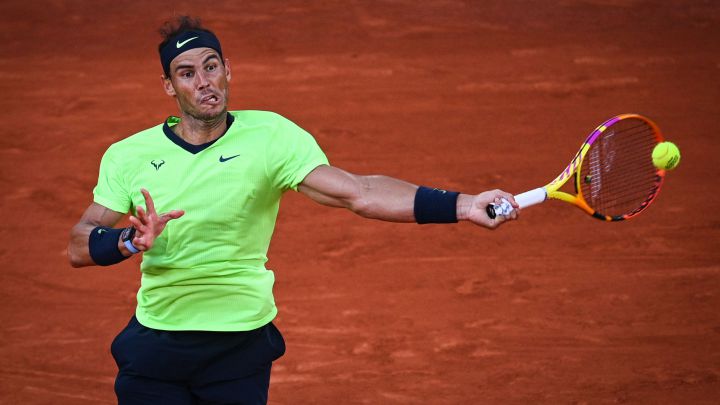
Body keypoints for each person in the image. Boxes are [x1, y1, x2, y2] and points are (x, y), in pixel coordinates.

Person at [67, 15, 519, 405]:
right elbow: (79, 244)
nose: (203, 82)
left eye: (211, 67)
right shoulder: (129, 155)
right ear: (169, 85)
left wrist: (463, 204)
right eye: (186, 73)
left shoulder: (272, 137)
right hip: (156, 344)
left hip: (238, 345)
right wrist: (128, 240)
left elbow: (357, 192)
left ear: (228, 70)